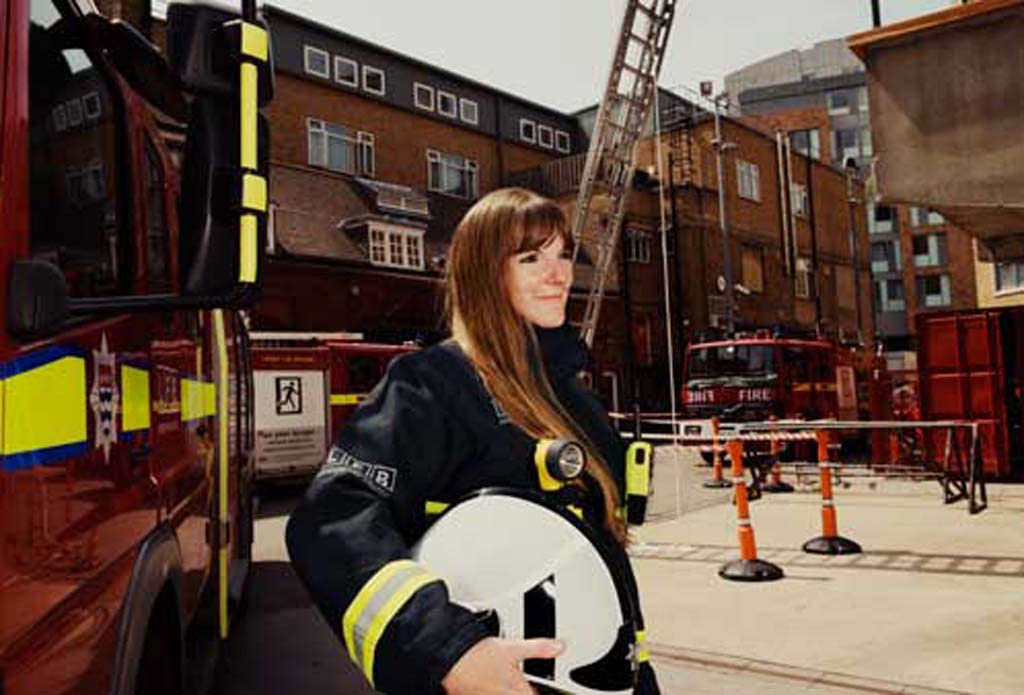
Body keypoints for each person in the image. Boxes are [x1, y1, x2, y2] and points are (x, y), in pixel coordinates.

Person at [286, 187, 659, 695]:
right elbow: (329, 520)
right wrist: (447, 649)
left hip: (612, 674)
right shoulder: (432, 384)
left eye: (563, 254)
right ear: (486, 273)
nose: (560, 274)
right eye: (532, 258)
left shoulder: (574, 397)